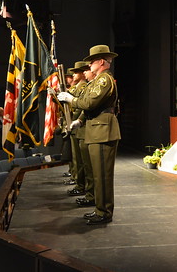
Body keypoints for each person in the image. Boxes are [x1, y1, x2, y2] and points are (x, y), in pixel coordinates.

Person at [58, 45, 120, 225]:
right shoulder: (98, 80)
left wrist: (72, 99)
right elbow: (91, 106)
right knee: (97, 173)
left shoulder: (104, 80)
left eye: (92, 61)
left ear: (101, 62)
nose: (89, 65)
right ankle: (100, 208)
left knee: (103, 175)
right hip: (96, 129)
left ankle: (104, 211)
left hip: (103, 130)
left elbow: (90, 102)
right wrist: (81, 120)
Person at [74, 62, 96, 208]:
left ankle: (91, 195)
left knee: (90, 167)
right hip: (85, 127)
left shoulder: (100, 82)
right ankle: (89, 193)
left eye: (88, 68)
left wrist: (71, 100)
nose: (87, 71)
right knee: (83, 163)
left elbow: (86, 104)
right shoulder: (88, 86)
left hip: (91, 129)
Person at [66, 61, 88, 198]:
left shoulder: (84, 86)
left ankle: (81, 185)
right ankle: (78, 181)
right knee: (76, 158)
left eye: (76, 72)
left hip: (82, 126)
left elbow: (81, 104)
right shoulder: (79, 86)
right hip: (76, 124)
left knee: (81, 161)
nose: (73, 75)